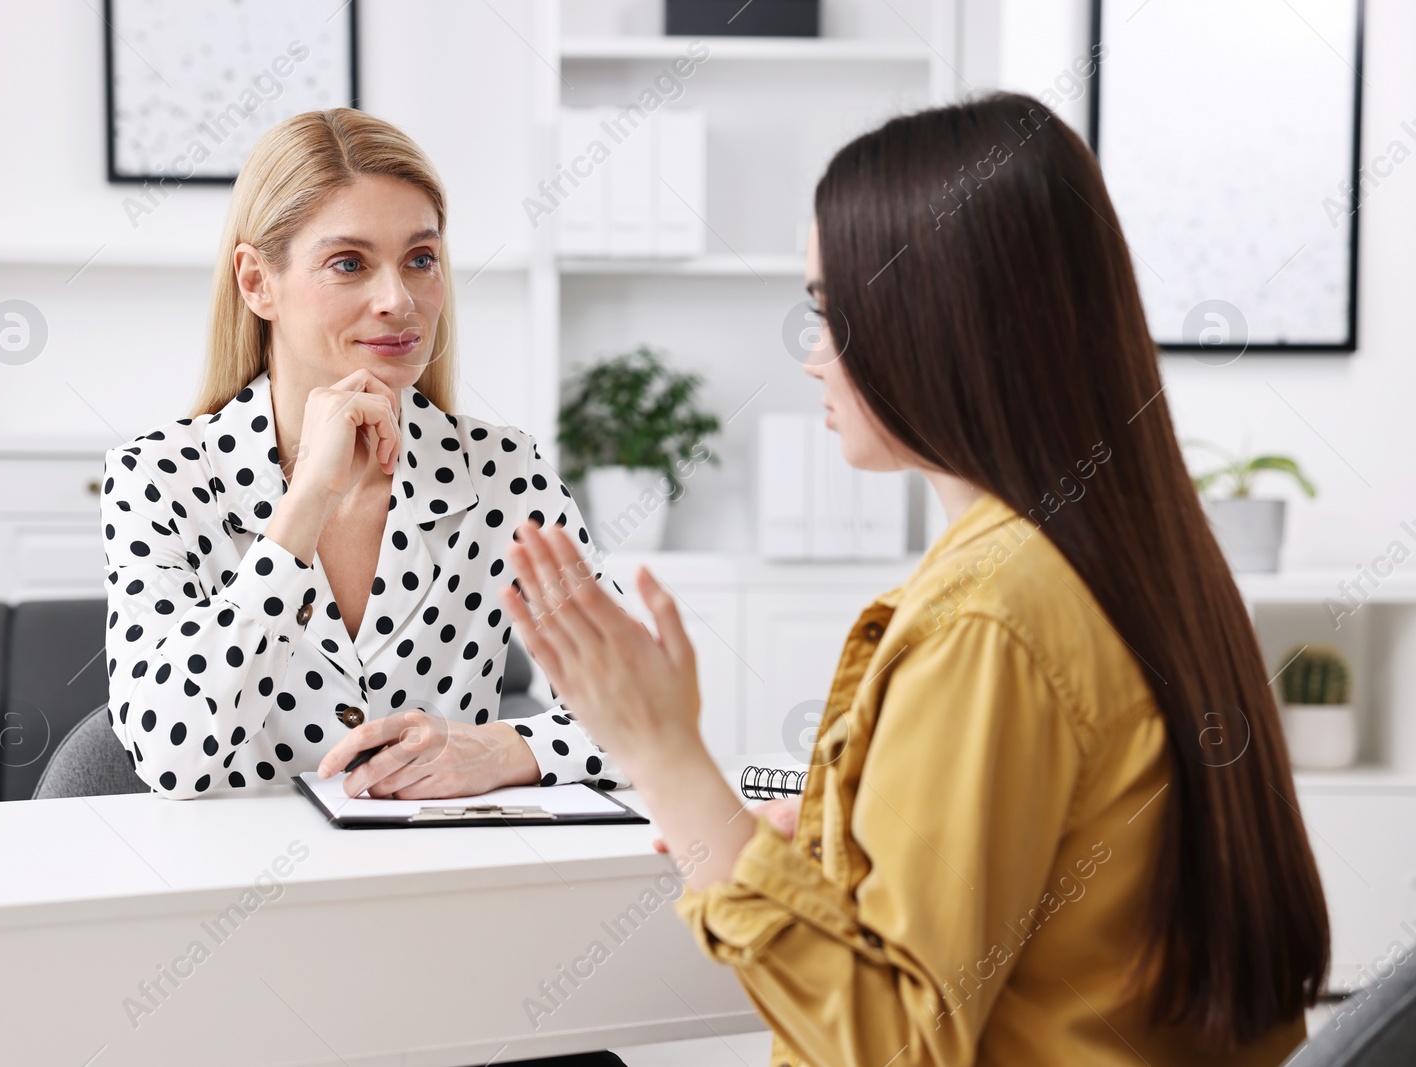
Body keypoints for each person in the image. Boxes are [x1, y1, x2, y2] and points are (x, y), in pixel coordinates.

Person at [499, 93, 1329, 1067]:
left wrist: (665, 757)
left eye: (826, 307)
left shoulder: (991, 614)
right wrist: (828, 845)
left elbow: (893, 1048)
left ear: (935, 314)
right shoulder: (1121, 552)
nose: (811, 355)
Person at [98, 108, 627, 803]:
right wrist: (302, 507)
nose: (398, 299)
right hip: (235, 896)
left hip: (440, 891)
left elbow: (643, 717)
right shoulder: (158, 477)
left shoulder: (504, 473)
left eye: (420, 259)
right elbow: (169, 753)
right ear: (257, 281)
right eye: (349, 263)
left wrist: (502, 747)